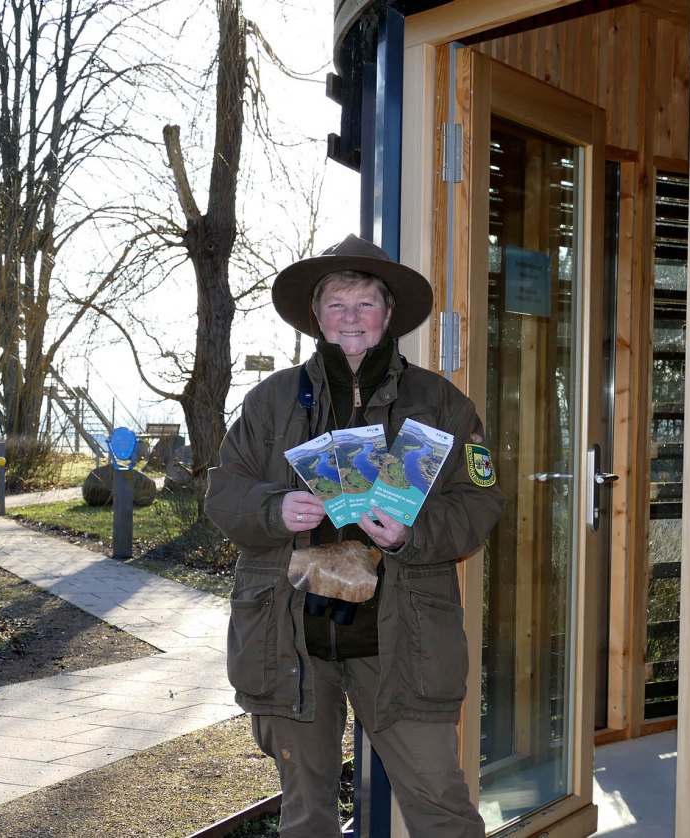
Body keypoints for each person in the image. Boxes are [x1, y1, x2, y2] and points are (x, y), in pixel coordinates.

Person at [205, 234, 505, 837]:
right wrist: (273, 508)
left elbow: (482, 502)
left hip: (405, 641)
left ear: (388, 314)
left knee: (441, 805)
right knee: (305, 815)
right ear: (315, 316)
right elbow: (223, 494)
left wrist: (410, 533)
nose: (350, 318)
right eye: (336, 304)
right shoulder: (271, 402)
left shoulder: (441, 404)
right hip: (291, 641)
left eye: (364, 303)